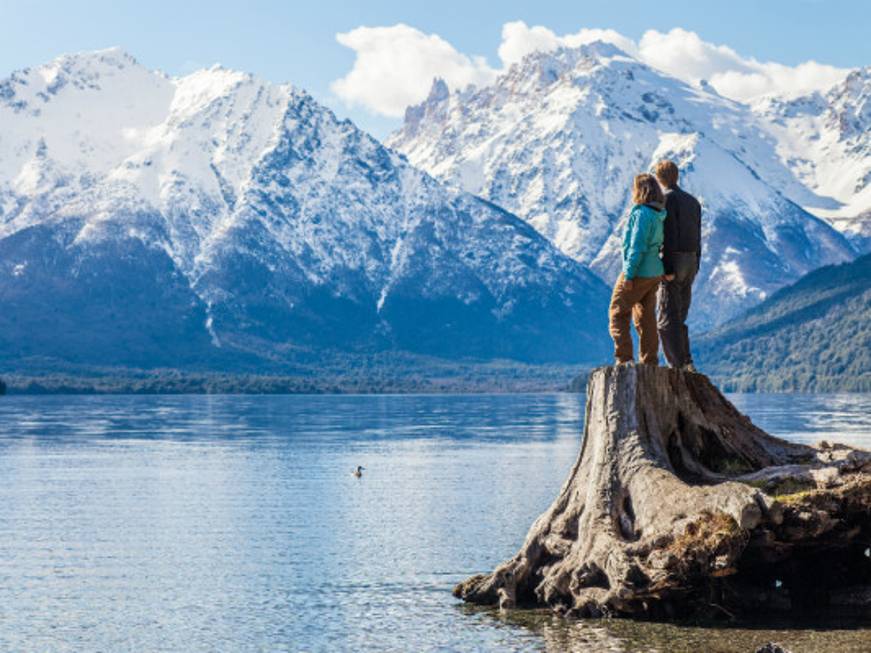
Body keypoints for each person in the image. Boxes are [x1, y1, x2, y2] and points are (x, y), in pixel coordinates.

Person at [608, 174, 667, 365]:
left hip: (639, 272)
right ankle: (649, 360)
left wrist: (629, 274)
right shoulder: (659, 214)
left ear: (640, 190)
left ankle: (624, 359)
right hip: (654, 272)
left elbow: (637, 246)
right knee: (646, 317)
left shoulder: (642, 214)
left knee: (617, 312)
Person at [654, 160, 702, 372]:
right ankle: (687, 361)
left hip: (675, 259)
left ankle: (677, 366)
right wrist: (696, 264)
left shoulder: (666, 199)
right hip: (691, 260)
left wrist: (668, 268)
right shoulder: (693, 202)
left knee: (666, 318)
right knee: (680, 315)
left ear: (660, 178)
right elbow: (698, 236)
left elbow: (669, 234)